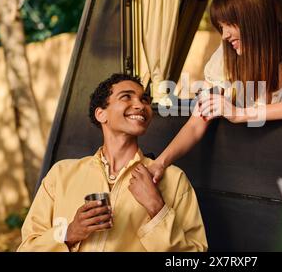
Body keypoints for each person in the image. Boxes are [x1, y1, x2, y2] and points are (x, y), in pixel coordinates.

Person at [17, 73, 208, 252]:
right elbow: (27, 247)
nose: (141, 105)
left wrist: (156, 208)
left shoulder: (173, 179)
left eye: (145, 100)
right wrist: (70, 233)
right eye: (126, 97)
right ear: (101, 114)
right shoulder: (61, 175)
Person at [149, 0, 282, 183]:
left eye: (229, 25)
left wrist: (240, 114)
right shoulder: (224, 57)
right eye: (220, 27)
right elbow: (195, 124)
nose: (224, 35)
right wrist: (160, 163)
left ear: (253, 18)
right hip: (251, 169)